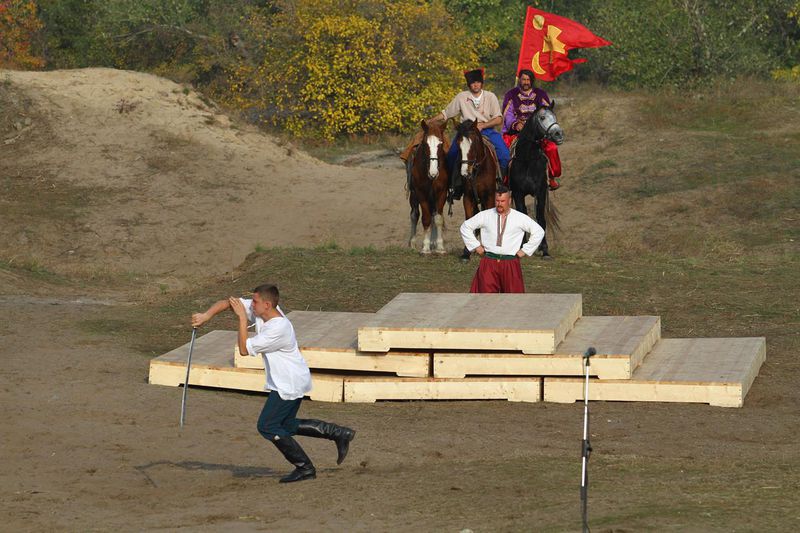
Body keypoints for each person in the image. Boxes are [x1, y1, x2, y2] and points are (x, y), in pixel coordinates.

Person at [191, 283, 355, 483]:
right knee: (285, 424)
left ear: (267, 304)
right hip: (290, 379)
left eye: (255, 302)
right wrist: (206, 315)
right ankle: (339, 433)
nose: (251, 305)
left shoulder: (278, 328)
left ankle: (305, 468)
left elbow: (243, 349)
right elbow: (229, 303)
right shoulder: (262, 313)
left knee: (267, 426)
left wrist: (242, 318)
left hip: (290, 382)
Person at [431, 68, 510, 194]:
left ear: (481, 83)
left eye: (478, 82)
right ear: (469, 84)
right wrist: (431, 120)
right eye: (473, 83)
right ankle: (454, 186)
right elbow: (446, 114)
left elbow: (499, 119)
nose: (476, 85)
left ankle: (500, 182)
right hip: (466, 133)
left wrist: (483, 125)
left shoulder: (490, 96)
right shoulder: (462, 97)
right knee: (451, 155)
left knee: (505, 155)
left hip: (487, 131)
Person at [459, 184, 545, 293]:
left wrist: (525, 250)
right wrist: (476, 246)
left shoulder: (519, 217)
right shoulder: (486, 215)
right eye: (497, 201)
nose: (499, 204)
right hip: (489, 262)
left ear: (509, 201)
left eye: (502, 201)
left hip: (510, 263)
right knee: (485, 299)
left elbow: (539, 231)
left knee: (513, 300)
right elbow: (465, 227)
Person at [501, 69, 561, 190]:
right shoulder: (511, 95)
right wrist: (515, 124)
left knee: (552, 148)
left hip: (537, 134)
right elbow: (507, 115)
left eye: (528, 80)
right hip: (517, 133)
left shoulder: (540, 94)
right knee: (504, 151)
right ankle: (505, 180)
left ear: (532, 80)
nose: (526, 82)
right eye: (523, 79)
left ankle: (551, 178)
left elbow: (547, 112)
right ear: (520, 80)